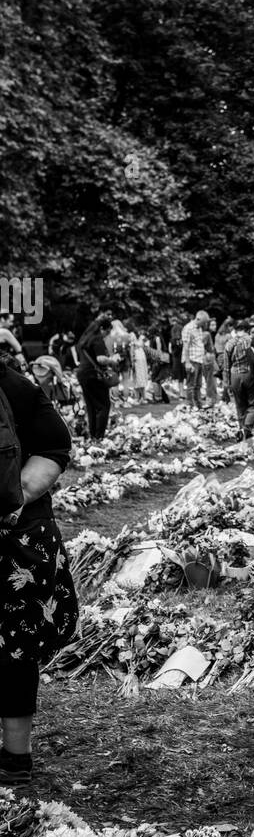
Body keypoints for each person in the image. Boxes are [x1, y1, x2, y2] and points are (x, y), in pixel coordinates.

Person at [0, 356, 79, 785]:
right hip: (19, 536)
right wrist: (20, 495)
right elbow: (55, 445)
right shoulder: (17, 385)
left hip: (15, 534)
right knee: (15, 643)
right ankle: (16, 757)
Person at [75, 315, 119, 438]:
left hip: (83, 374)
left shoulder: (84, 340)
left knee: (91, 406)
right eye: (107, 331)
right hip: (93, 375)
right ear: (102, 329)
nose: (107, 334)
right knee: (104, 405)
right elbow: (100, 359)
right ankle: (99, 436)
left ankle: (93, 435)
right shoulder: (97, 339)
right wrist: (112, 360)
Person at [225, 319, 254, 440]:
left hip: (234, 376)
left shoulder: (229, 343)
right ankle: (246, 429)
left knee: (240, 405)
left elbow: (226, 366)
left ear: (235, 330)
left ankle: (242, 432)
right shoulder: (252, 339)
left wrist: (227, 383)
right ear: (248, 330)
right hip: (250, 374)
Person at [181, 310, 210, 408]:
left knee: (198, 385)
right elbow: (186, 346)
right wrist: (188, 362)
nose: (205, 324)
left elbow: (198, 343)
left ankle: (198, 404)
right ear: (198, 319)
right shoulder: (188, 328)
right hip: (192, 360)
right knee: (191, 385)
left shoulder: (199, 329)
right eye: (204, 322)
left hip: (199, 359)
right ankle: (191, 404)